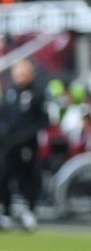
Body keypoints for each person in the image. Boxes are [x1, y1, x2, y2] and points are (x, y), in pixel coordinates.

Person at [0, 60, 48, 229]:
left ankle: (29, 211)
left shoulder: (36, 94)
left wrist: (25, 136)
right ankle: (5, 212)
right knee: (4, 176)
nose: (20, 76)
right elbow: (3, 116)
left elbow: (42, 120)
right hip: (8, 145)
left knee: (27, 177)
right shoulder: (9, 93)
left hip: (27, 145)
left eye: (23, 72)